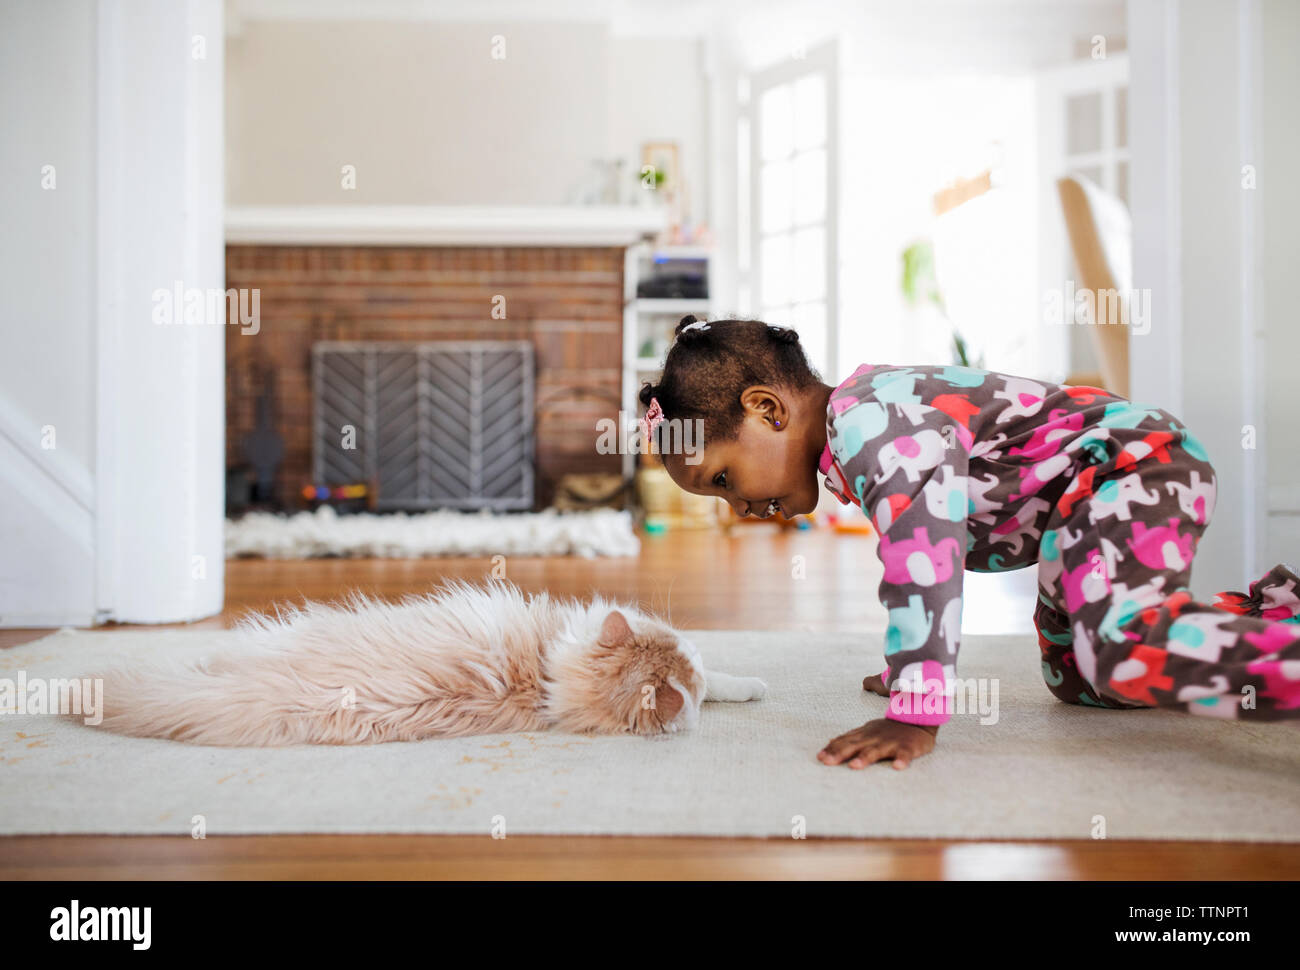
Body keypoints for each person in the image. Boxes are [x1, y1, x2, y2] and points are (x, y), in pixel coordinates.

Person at [643, 314, 1300, 770]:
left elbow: (923, 558)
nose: (742, 507)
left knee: (1120, 649)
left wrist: (916, 706)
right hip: (1077, 513)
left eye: (725, 479)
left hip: (1132, 468)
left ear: (768, 410)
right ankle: (1273, 614)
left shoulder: (870, 424)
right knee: (1079, 680)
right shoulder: (856, 434)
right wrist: (908, 665)